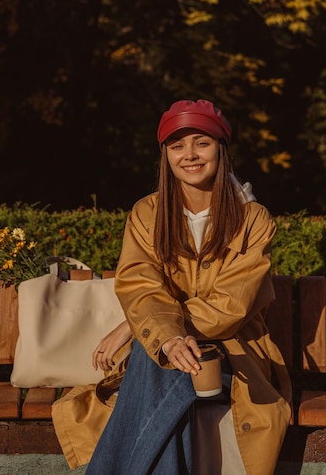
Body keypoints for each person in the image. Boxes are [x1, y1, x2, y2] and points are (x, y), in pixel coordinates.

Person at [87, 99, 292, 475]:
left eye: (202, 142)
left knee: (161, 360)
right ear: (165, 155)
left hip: (234, 351)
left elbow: (229, 307)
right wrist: (166, 338)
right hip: (168, 351)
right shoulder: (146, 214)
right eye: (177, 146)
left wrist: (141, 331)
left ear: (221, 148)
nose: (190, 155)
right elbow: (140, 286)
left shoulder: (253, 220)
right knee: (166, 363)